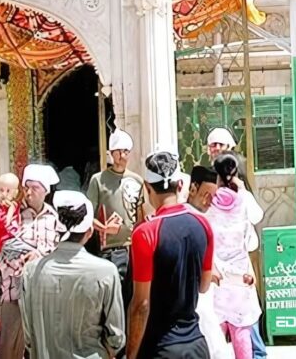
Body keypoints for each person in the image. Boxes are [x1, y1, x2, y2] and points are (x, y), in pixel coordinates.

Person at [128, 151, 214, 359]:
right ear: (181, 186)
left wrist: (130, 354)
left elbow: (141, 305)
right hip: (196, 344)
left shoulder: (145, 233)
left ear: (147, 189)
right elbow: (204, 286)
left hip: (160, 346)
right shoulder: (203, 225)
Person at [21, 190, 126, 359]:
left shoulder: (31, 271)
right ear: (90, 232)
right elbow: (116, 337)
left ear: (57, 229)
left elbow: (28, 336)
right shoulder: (106, 271)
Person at [207, 129, 268, 358]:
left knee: (221, 326)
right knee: (241, 324)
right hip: (235, 268)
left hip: (223, 267)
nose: (216, 149)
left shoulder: (212, 195)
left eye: (220, 145)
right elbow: (255, 214)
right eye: (213, 145)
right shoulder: (237, 189)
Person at [0, 163, 62, 359]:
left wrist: (38, 257)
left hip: (45, 295)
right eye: (27, 187)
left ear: (45, 191)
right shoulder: (11, 215)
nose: (29, 192)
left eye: (35, 188)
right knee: (9, 350)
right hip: (14, 293)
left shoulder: (55, 219)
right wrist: (22, 264)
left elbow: (59, 254)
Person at [87, 128, 144, 307]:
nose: (122, 155)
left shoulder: (137, 180)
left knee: (133, 298)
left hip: (133, 248)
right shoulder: (98, 180)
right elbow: (88, 215)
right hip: (111, 250)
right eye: (118, 151)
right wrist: (103, 229)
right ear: (111, 153)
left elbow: (140, 217)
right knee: (113, 302)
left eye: (126, 151)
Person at [185, 166, 234, 359]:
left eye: (213, 197)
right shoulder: (185, 219)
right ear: (192, 189)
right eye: (206, 195)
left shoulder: (208, 219)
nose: (209, 201)